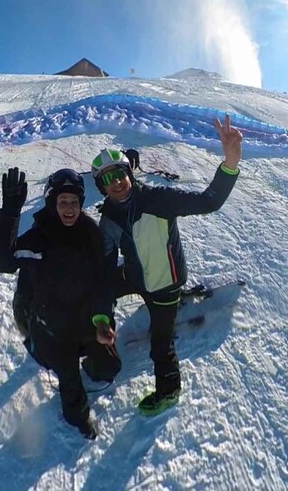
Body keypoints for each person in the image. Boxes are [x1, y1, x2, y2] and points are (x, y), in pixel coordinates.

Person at [90, 116, 243, 416]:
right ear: (101, 187)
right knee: (95, 292)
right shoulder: (107, 220)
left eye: (119, 174)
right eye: (107, 179)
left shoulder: (157, 199)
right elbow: (105, 272)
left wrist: (230, 164)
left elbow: (208, 202)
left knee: (161, 343)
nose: (116, 183)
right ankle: (102, 355)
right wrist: (102, 316)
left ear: (129, 174)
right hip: (135, 276)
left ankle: (169, 391)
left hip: (164, 285)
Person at [0, 167, 122, 439]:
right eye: (62, 201)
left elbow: (104, 282)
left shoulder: (91, 234)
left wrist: (103, 318)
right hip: (53, 330)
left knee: (110, 368)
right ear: (51, 203)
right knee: (70, 381)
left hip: (86, 321)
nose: (69, 208)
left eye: (74, 202)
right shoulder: (40, 238)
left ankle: (91, 365)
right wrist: (10, 212)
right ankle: (77, 418)